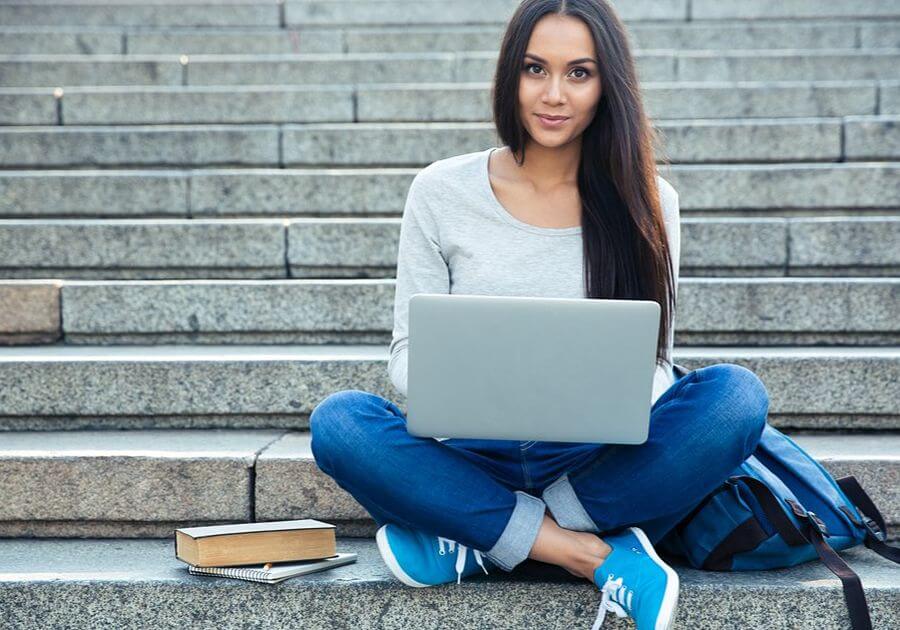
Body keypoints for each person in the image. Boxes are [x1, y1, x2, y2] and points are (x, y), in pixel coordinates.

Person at [309, 1, 770, 628]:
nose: (554, 95)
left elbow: (655, 364)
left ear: (609, 83)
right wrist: (468, 390)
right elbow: (405, 353)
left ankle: (483, 538)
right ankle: (584, 552)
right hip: (468, 455)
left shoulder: (649, 202)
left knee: (735, 400)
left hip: (595, 462)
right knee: (341, 424)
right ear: (510, 75)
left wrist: (611, 395)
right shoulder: (441, 191)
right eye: (535, 69)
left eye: (578, 73)